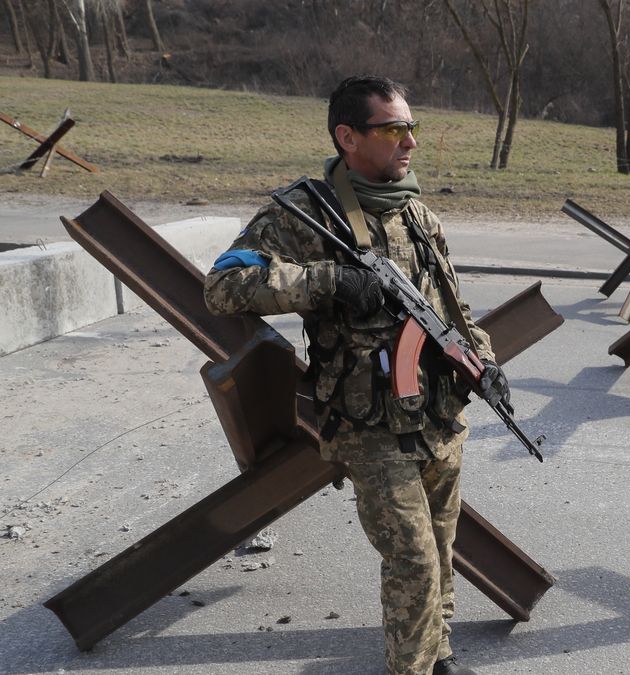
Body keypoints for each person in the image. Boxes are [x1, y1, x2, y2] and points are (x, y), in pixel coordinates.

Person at [204, 75, 507, 675]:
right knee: (413, 562)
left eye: (411, 128)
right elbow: (222, 286)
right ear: (348, 136)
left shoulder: (417, 212)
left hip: (439, 416)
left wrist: (485, 361)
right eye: (394, 129)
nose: (411, 142)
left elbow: (451, 305)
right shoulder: (304, 213)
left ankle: (436, 652)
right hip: (369, 423)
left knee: (442, 552)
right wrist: (330, 281)